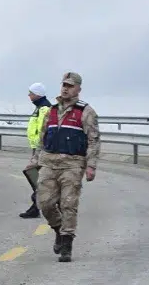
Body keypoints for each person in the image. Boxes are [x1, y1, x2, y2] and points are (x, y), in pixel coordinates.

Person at [35, 72, 100, 262]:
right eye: (64, 84)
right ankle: (58, 229)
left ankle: (66, 244)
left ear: (78, 89)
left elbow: (93, 140)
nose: (65, 88)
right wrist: (35, 158)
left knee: (68, 204)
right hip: (49, 161)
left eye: (70, 86)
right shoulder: (52, 110)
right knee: (45, 203)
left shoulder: (86, 111)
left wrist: (91, 166)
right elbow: (43, 136)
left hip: (72, 164)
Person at [19, 83, 52, 218]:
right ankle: (38, 204)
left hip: (41, 148)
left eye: (31, 93)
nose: (29, 95)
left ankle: (40, 203)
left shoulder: (44, 109)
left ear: (37, 94)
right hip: (37, 148)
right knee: (35, 175)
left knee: (31, 172)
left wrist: (41, 147)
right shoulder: (39, 107)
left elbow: (44, 129)